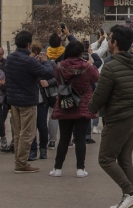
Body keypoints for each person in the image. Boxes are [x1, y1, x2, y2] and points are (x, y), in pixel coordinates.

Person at [87, 25, 133, 208]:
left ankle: (130, 192)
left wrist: (91, 108)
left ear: (114, 42)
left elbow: (99, 95)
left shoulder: (110, 67)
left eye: (110, 38)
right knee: (125, 159)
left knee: (105, 158)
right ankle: (127, 199)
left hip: (119, 118)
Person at [3, 30, 54, 172]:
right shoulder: (29, 61)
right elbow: (48, 73)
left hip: (14, 99)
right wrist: (45, 61)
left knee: (18, 132)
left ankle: (19, 160)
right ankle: (21, 163)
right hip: (27, 101)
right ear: (28, 45)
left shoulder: (11, 58)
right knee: (28, 133)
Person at [50, 39, 98, 179]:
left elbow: (58, 81)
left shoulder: (59, 67)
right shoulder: (87, 67)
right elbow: (96, 78)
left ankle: (57, 168)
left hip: (65, 103)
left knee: (64, 138)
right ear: (81, 52)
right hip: (82, 105)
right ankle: (80, 169)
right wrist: (90, 63)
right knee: (81, 138)